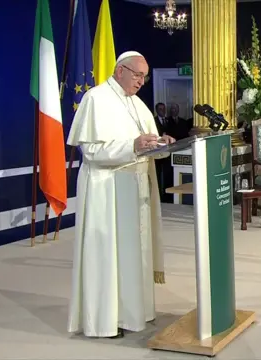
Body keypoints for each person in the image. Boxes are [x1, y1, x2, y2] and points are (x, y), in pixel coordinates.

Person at [66, 51, 176, 338]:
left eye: (145, 76)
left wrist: (161, 143)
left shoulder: (138, 104)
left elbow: (145, 144)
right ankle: (105, 320)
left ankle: (135, 313)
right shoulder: (95, 99)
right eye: (138, 75)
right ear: (119, 71)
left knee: (134, 254)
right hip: (107, 190)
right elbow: (90, 151)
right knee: (109, 255)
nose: (142, 81)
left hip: (135, 190)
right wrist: (133, 145)